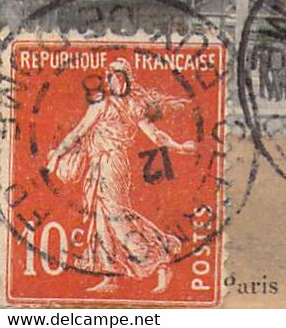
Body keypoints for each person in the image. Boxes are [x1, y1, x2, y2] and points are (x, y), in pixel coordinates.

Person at [43, 58, 196, 295]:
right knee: (101, 220)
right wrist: (56, 156)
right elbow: (79, 132)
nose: (119, 82)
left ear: (128, 81)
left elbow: (156, 136)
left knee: (116, 217)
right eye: (114, 77)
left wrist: (180, 147)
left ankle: (160, 258)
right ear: (109, 81)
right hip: (97, 165)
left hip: (114, 164)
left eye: (123, 77)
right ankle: (110, 276)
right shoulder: (101, 105)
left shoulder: (134, 107)